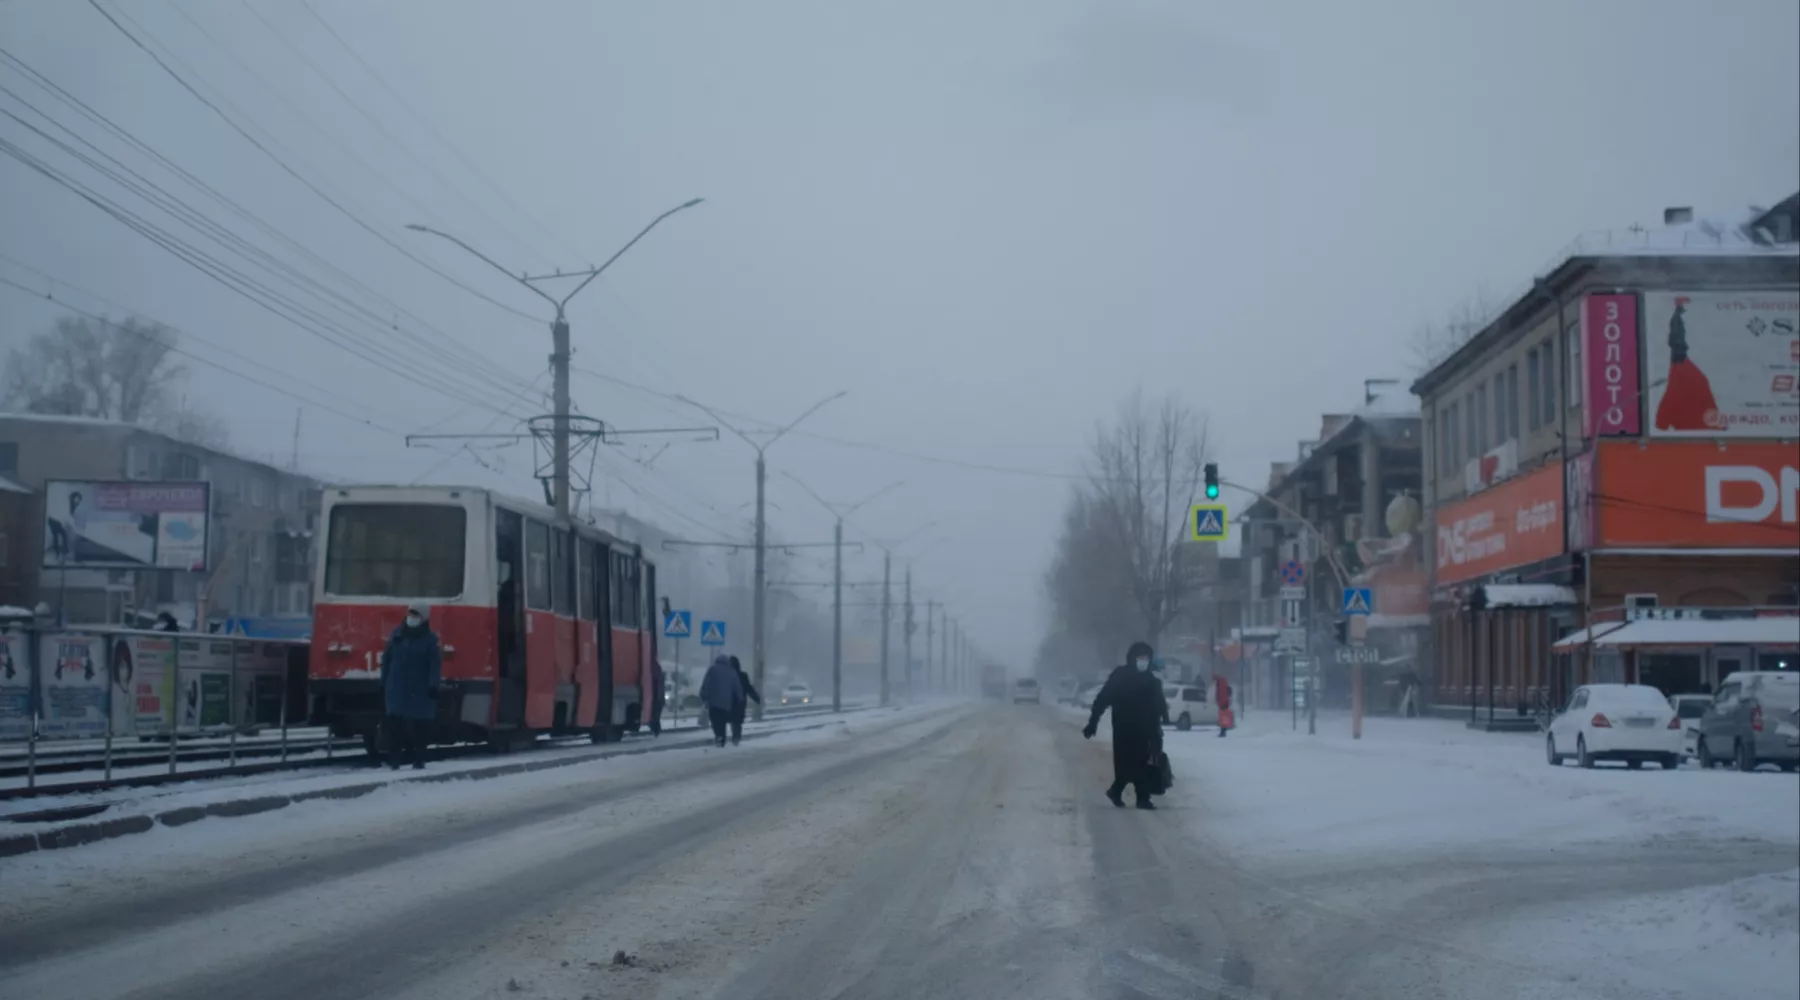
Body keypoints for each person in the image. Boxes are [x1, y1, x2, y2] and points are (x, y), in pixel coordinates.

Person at [1082, 640, 1167, 810]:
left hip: (1146, 728)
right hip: (1124, 727)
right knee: (1127, 762)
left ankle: (1128, 793)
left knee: (1142, 760)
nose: (1144, 661)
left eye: (1147, 658)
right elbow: (1103, 698)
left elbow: (1159, 705)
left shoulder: (1152, 680)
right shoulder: (1120, 676)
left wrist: (1161, 724)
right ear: (1132, 658)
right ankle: (1132, 794)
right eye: (1140, 657)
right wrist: (1093, 722)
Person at [380, 604, 441, 770]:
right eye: (411, 613)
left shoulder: (430, 640)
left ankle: (419, 758)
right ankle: (394, 760)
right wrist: (383, 682)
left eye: (416, 614)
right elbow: (387, 660)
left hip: (420, 689)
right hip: (396, 687)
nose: (412, 617)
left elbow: (434, 666)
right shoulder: (397, 635)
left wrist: (433, 685)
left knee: (419, 727)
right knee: (394, 725)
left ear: (424, 618)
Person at [699, 653, 742, 747]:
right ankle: (722, 737)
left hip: (713, 701)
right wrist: (740, 698)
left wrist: (703, 695)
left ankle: (718, 735)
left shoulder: (712, 669)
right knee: (722, 720)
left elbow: (706, 683)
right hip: (726, 703)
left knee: (714, 719)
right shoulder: (732, 671)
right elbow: (737, 687)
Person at [728, 654, 760, 746]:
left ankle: (726, 739)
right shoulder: (743, 676)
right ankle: (736, 739)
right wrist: (756, 698)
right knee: (737, 723)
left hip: (728, 703)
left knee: (729, 721)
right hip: (740, 703)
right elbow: (749, 688)